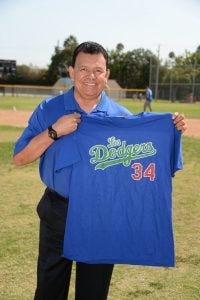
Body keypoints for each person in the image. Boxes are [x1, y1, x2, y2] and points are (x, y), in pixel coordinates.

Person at [13, 41, 187, 300]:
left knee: (93, 293)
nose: (90, 77)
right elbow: (20, 157)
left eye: (98, 70)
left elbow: (144, 164)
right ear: (71, 71)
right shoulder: (49, 110)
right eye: (83, 69)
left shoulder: (122, 118)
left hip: (103, 214)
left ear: (107, 74)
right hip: (58, 211)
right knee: (49, 291)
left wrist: (170, 130)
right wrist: (54, 131)